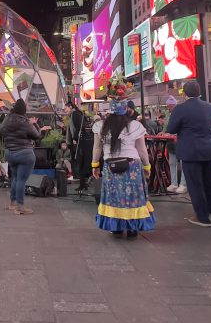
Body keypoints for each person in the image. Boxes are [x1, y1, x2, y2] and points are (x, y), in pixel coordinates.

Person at [165, 81, 211, 227]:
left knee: (195, 185)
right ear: (199, 92)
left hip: (191, 152)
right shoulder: (210, 107)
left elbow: (171, 129)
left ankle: (202, 217)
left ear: (184, 93)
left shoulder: (180, 109)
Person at [91, 101, 154, 239]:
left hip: (110, 167)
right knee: (132, 198)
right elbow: (142, 150)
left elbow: (97, 148)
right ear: (126, 109)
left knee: (114, 198)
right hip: (132, 167)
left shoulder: (100, 126)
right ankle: (133, 229)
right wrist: (147, 166)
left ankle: (117, 228)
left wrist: (95, 165)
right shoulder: (135, 126)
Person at [0, 99, 41, 215]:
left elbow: (1, 129)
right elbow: (37, 136)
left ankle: (13, 203)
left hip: (10, 153)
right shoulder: (25, 121)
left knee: (15, 178)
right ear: (23, 110)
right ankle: (20, 207)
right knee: (21, 180)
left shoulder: (7, 119)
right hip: (24, 154)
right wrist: (35, 124)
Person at [65, 102, 92, 191]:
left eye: (66, 108)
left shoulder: (75, 114)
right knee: (80, 163)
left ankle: (83, 184)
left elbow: (79, 128)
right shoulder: (75, 114)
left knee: (80, 162)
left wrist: (75, 138)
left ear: (70, 107)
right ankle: (82, 184)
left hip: (80, 142)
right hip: (79, 141)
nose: (65, 110)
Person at [164, 95, 187, 194]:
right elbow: (166, 127)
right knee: (172, 163)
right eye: (168, 106)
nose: (169, 108)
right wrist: (163, 132)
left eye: (170, 106)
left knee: (183, 164)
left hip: (180, 142)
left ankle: (183, 184)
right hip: (171, 143)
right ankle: (174, 184)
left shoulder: (180, 114)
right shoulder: (168, 115)